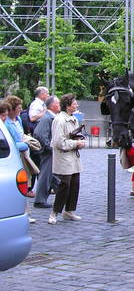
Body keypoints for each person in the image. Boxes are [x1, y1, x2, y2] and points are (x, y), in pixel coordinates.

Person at [49, 93, 86, 225]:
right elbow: (59, 142)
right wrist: (76, 143)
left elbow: (75, 135)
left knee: (75, 184)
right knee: (64, 185)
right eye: (74, 103)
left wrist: (80, 141)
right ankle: (54, 212)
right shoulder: (59, 120)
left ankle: (69, 211)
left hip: (73, 156)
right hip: (64, 157)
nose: (77, 105)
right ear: (68, 106)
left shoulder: (74, 119)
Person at [33, 96, 61, 208]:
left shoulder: (50, 117)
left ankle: (62, 194)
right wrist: (49, 147)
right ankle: (39, 200)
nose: (60, 105)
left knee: (52, 175)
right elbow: (39, 134)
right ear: (53, 106)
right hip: (48, 151)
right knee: (46, 175)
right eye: (58, 103)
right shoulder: (47, 118)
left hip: (50, 150)